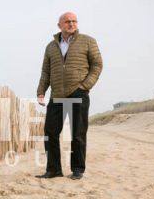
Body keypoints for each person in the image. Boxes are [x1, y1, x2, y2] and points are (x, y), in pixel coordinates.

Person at [36, 12, 103, 180]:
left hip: (78, 92)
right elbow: (46, 71)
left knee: (78, 132)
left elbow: (97, 65)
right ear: (59, 25)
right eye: (67, 22)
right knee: (50, 132)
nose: (71, 24)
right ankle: (53, 170)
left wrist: (85, 85)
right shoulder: (51, 46)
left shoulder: (88, 41)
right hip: (57, 94)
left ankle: (78, 169)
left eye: (74, 21)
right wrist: (41, 91)